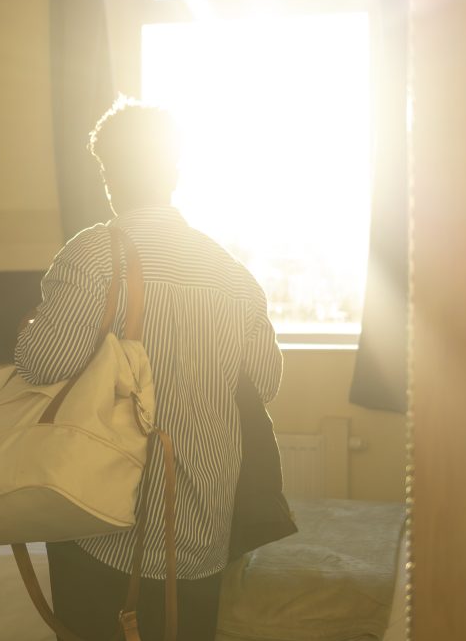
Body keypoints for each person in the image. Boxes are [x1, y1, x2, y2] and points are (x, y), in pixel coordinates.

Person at [14, 96, 283, 641]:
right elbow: (264, 385)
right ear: (174, 171)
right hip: (205, 525)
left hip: (102, 519)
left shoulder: (93, 256)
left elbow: (42, 364)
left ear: (107, 175)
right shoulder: (232, 274)